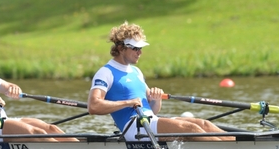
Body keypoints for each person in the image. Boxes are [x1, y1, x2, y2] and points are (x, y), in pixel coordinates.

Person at [88, 22, 231, 142]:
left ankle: (237, 145)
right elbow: (93, 106)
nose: (140, 52)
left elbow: (152, 110)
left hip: (148, 121)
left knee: (203, 124)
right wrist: (127, 102)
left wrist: (156, 100)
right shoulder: (106, 72)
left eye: (141, 48)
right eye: (135, 48)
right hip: (133, 128)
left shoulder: (136, 72)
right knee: (191, 129)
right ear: (120, 48)